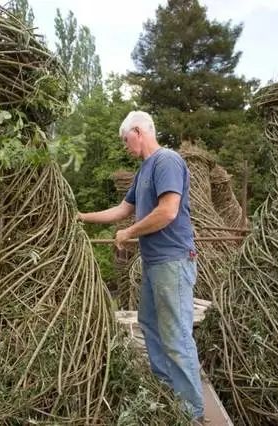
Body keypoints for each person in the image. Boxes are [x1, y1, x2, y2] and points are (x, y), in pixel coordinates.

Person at [77, 111, 205, 421]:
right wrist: (82, 217)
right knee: (149, 325)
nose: (124, 146)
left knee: (176, 336)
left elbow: (168, 211)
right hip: (153, 262)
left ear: (138, 131)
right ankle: (166, 392)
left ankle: (191, 412)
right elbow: (123, 209)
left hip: (173, 261)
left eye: (125, 140)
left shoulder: (167, 161)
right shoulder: (144, 170)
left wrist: (130, 232)